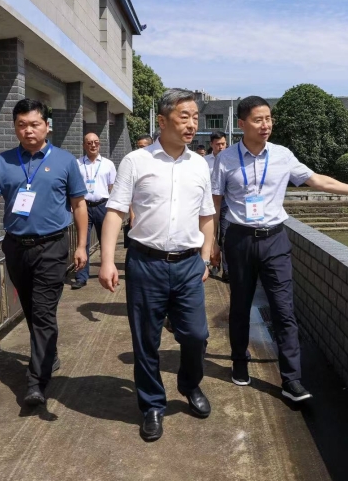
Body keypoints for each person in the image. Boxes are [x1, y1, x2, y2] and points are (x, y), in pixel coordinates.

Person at [211, 96, 348, 402]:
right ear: (242, 124)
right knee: (240, 307)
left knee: (284, 310)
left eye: (269, 119)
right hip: (239, 240)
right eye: (258, 120)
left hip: (275, 239)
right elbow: (215, 203)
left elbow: (317, 180)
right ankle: (239, 362)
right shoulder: (226, 159)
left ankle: (292, 380)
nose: (266, 125)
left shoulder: (282, 155)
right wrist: (212, 243)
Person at [99, 89, 215, 441]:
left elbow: (207, 215)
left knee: (196, 335)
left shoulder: (200, 164)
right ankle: (152, 404)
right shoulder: (136, 161)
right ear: (162, 121)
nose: (192, 124)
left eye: (195, 117)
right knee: (146, 339)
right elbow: (116, 212)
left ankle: (189, 384)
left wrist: (206, 257)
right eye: (184, 116)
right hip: (145, 263)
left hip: (188, 264)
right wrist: (107, 261)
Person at [0, 98, 88, 407]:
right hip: (16, 247)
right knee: (32, 308)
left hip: (52, 246)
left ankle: (36, 382)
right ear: (15, 127)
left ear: (47, 126)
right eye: (22, 125)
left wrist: (81, 245)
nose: (28, 130)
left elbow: (78, 205)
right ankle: (49, 354)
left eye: (34, 124)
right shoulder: (3, 161)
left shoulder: (65, 161)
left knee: (43, 310)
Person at [72, 133, 117, 289]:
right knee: (82, 241)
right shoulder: (77, 164)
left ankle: (109, 273)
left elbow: (112, 187)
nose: (93, 145)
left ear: (99, 144)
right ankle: (81, 277)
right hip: (83, 206)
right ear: (84, 145)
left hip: (102, 205)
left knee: (106, 241)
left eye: (96, 142)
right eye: (89, 142)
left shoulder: (108, 164)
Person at [204, 131, 229, 280]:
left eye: (223, 144)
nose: (221, 147)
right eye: (218, 144)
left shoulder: (230, 160)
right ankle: (211, 264)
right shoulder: (204, 162)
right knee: (208, 233)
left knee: (225, 235)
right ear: (211, 144)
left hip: (225, 202)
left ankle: (227, 269)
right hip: (207, 201)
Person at [124, 135, 153, 248]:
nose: (140, 150)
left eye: (143, 147)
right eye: (138, 147)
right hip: (140, 218)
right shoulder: (134, 164)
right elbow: (131, 196)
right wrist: (132, 216)